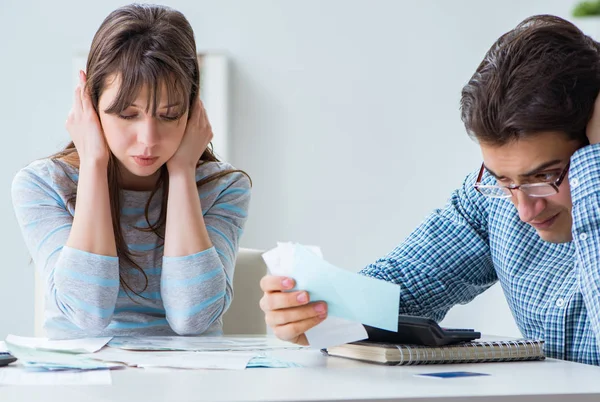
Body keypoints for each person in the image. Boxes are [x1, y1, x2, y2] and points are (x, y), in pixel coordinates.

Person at [260, 15, 600, 366]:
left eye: (544, 177)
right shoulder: (489, 201)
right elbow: (402, 288)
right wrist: (317, 312)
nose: (525, 210)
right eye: (503, 180)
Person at [11, 4, 251, 339]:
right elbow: (88, 312)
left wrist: (181, 171)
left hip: (189, 382)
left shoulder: (224, 187)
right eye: (127, 114)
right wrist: (94, 162)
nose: (149, 140)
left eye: (169, 115)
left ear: (193, 109)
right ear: (90, 104)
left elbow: (192, 318)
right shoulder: (43, 184)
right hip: (84, 381)